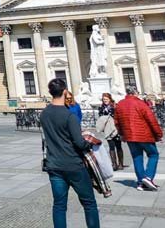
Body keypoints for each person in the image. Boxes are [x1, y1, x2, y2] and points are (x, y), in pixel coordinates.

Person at [40, 78, 99, 228]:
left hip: (54, 165)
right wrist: (90, 142)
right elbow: (79, 143)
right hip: (74, 165)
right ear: (65, 92)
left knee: (59, 205)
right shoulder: (69, 116)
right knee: (89, 203)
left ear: (50, 92)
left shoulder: (44, 114)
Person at [114, 86, 163, 192]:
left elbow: (117, 122)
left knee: (137, 157)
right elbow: (152, 120)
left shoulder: (120, 104)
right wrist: (158, 134)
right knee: (153, 155)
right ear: (135, 93)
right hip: (144, 135)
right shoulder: (141, 104)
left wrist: (122, 134)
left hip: (129, 136)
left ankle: (141, 182)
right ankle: (148, 177)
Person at [97, 93, 125, 170]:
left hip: (116, 128)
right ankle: (114, 164)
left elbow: (119, 116)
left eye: (106, 99)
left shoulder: (115, 106)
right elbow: (100, 117)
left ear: (110, 99)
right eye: (104, 99)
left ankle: (121, 164)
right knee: (111, 147)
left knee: (118, 146)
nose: (105, 101)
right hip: (107, 129)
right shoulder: (101, 108)